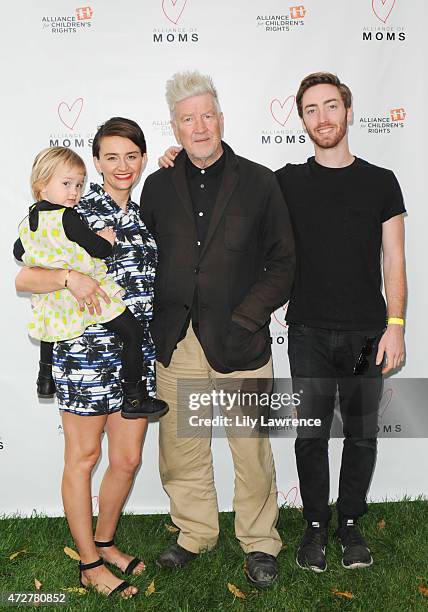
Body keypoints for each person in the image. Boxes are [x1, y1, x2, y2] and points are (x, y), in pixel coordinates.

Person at [140, 71, 295, 588]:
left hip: (241, 341)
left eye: (207, 114)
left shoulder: (259, 181)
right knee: (181, 447)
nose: (200, 125)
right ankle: (194, 532)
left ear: (222, 118)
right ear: (175, 128)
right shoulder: (157, 185)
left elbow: (283, 263)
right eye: (188, 118)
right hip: (176, 339)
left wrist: (247, 318)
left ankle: (259, 541)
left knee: (251, 448)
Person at [15, 117, 159, 598]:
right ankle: (89, 564)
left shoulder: (139, 214)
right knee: (84, 457)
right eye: (111, 156)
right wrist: (66, 278)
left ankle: (106, 540)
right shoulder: (70, 204)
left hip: (135, 354)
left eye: (132, 155)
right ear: (96, 162)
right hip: (84, 354)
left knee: (127, 458)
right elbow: (23, 279)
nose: (122, 165)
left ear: (141, 160)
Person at [275, 72, 407, 572]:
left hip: (366, 332)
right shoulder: (284, 181)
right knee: (310, 434)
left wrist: (396, 324)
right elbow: (232, 185)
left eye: (331, 106)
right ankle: (314, 525)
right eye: (311, 109)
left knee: (360, 433)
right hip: (306, 329)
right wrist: (178, 160)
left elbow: (393, 260)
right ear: (303, 119)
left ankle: (350, 522)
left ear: (348, 112)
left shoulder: (381, 181)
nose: (323, 117)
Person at [14, 146, 167, 419]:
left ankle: (45, 378)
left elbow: (19, 252)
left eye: (78, 185)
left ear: (143, 160)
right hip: (90, 301)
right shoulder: (71, 215)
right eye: (66, 184)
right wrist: (105, 239)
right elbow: (98, 249)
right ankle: (134, 395)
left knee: (51, 327)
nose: (74, 192)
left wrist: (47, 257)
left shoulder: (29, 221)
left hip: (55, 301)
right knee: (131, 331)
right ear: (41, 186)